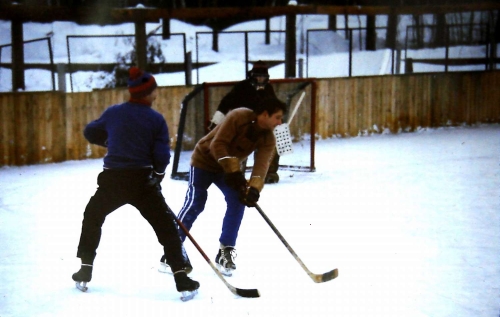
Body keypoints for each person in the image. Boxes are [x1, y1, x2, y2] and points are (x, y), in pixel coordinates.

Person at [72, 67, 200, 298]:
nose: (157, 94)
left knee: (92, 216)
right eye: (154, 90)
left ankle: (84, 269)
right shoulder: (155, 119)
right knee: (166, 227)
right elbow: (161, 156)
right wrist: (158, 175)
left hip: (113, 181)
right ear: (149, 93)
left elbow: (91, 132)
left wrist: (112, 139)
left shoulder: (113, 113)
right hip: (143, 183)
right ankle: (181, 278)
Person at [160, 97, 287, 277]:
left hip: (227, 170)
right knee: (196, 202)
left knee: (238, 201)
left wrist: (254, 189)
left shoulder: (268, 138)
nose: (280, 122)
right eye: (277, 117)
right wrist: (233, 171)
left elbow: (261, 166)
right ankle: (172, 251)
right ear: (265, 114)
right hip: (203, 162)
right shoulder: (238, 116)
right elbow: (217, 144)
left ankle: (225, 251)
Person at [208, 60, 281, 184]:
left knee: (270, 146)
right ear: (252, 76)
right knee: (240, 148)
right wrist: (216, 121)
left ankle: (270, 172)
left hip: (262, 125)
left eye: (263, 77)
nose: (260, 80)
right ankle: (235, 173)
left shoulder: (268, 89)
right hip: (243, 125)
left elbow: (274, 106)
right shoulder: (242, 87)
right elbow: (226, 102)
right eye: (258, 76)